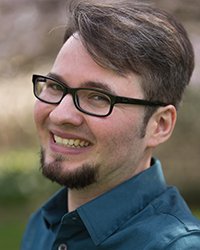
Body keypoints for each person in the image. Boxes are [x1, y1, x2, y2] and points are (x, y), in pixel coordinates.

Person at [21, 0, 200, 249]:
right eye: (55, 86)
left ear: (159, 125)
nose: (60, 115)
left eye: (97, 97)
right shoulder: (40, 226)